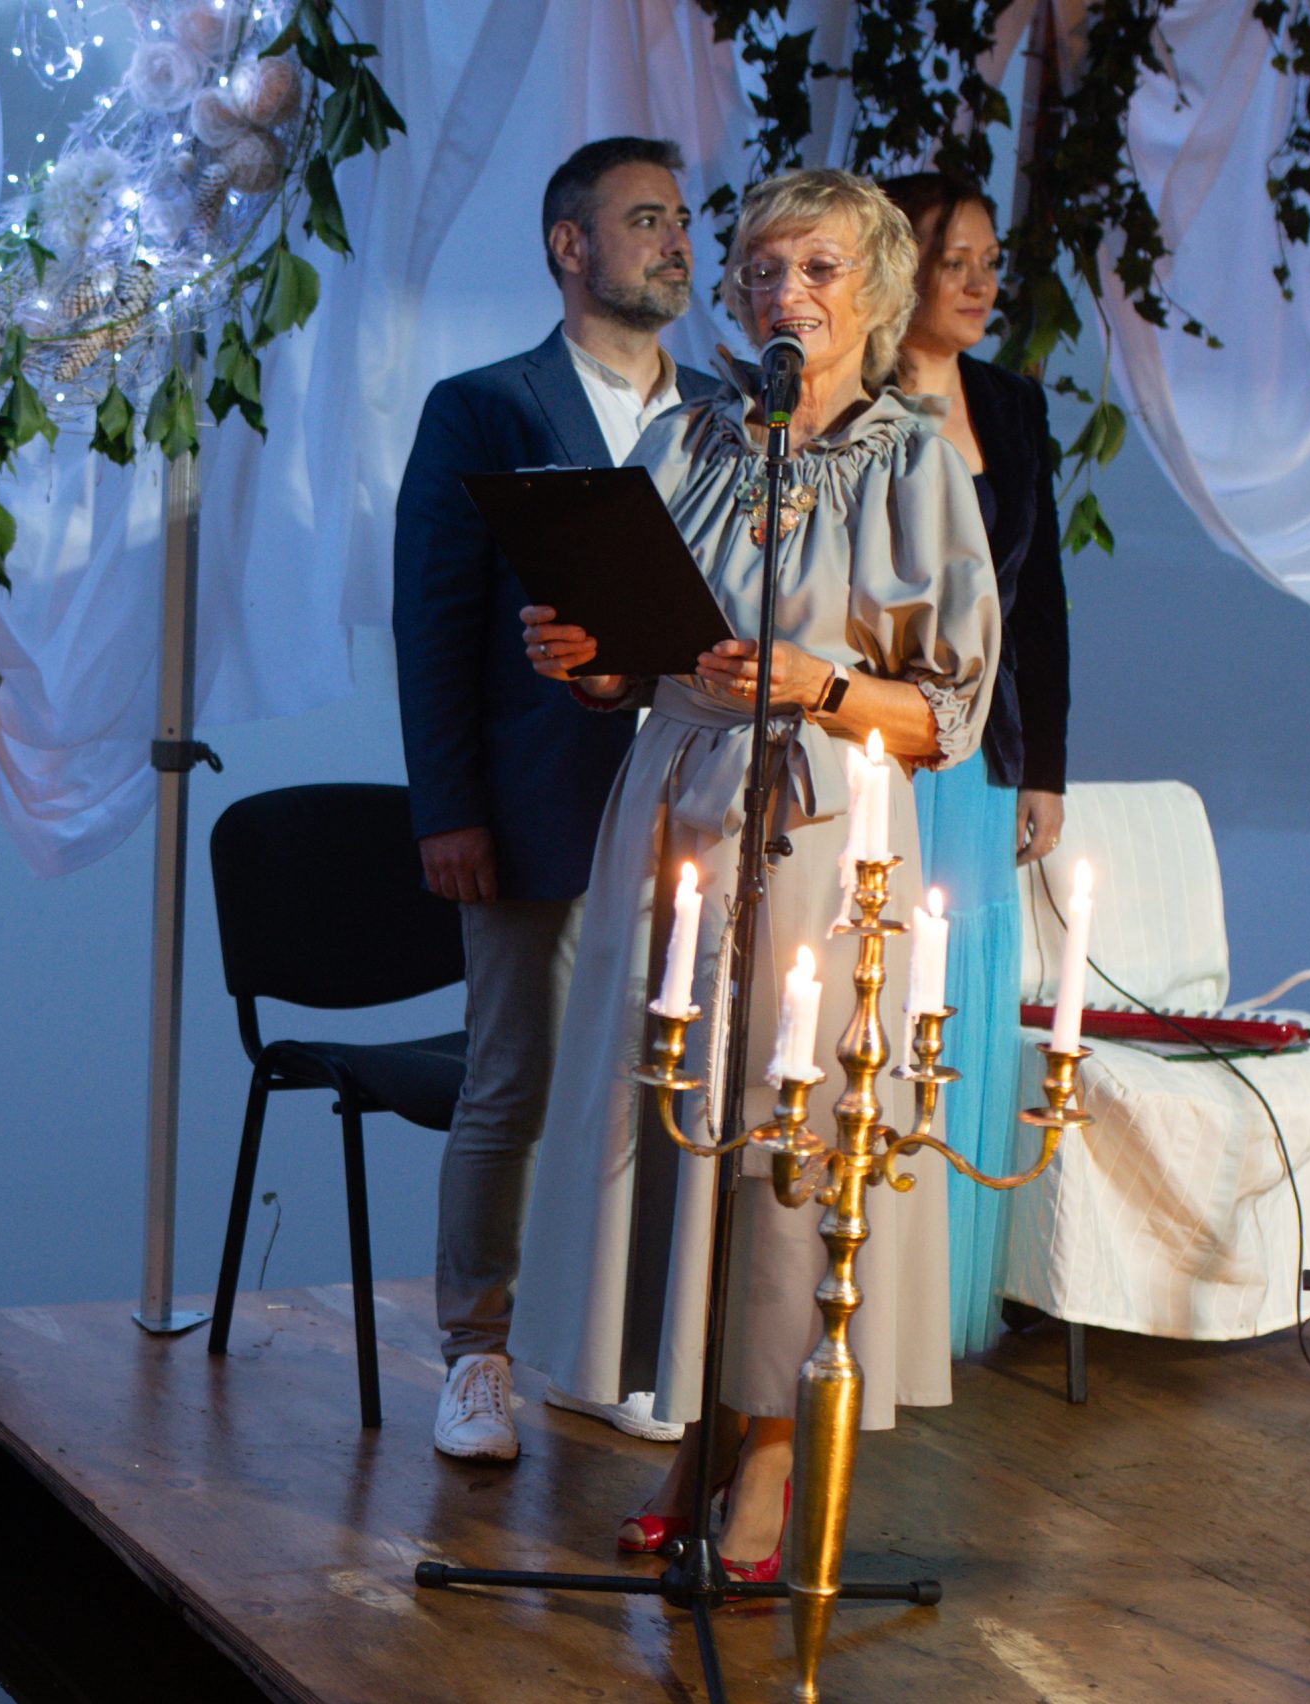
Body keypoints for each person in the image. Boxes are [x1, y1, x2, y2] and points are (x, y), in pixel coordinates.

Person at [506, 167, 1000, 1579]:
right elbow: (639, 653)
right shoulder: (687, 439)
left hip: (828, 828)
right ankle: (697, 1439)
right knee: (677, 1124)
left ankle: (769, 1464)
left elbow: (948, 715)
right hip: (673, 810)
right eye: (765, 269)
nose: (787, 293)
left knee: (793, 1135)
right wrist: (587, 662)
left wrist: (821, 686)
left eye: (821, 269)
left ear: (876, 295)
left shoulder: (913, 464)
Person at [393, 136, 719, 1462]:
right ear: (567, 244)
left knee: (670, 1079)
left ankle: (625, 1348)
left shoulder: (723, 418)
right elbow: (432, 619)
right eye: (644, 219)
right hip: (533, 802)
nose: (675, 242)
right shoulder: (485, 407)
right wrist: (446, 808)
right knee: (512, 1080)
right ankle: (475, 1354)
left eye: (681, 219)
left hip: (695, 803)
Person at [879, 171, 1072, 1360]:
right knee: (886, 992)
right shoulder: (852, 396)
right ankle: (861, 1300)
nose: (979, 283)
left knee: (963, 999)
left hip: (983, 746)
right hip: (886, 741)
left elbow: (1038, 598)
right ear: (898, 266)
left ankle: (945, 1311)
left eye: (989, 262)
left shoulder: (1008, 402)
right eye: (954, 260)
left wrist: (1045, 764)